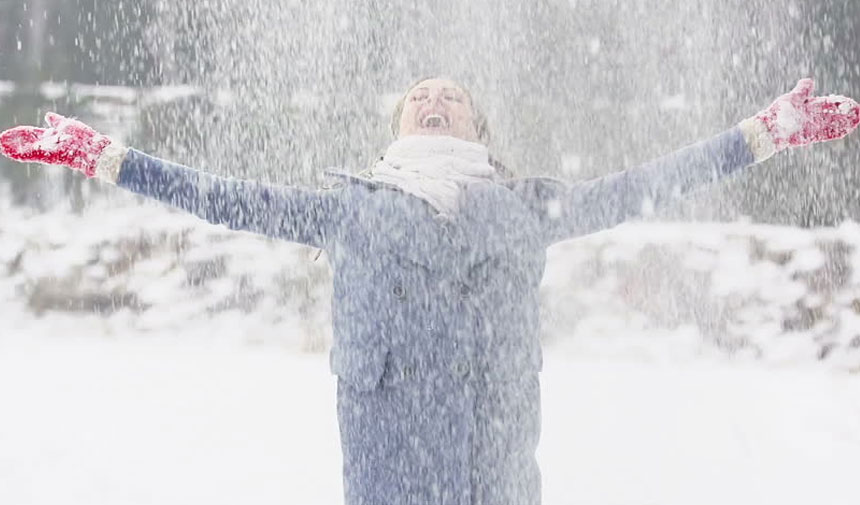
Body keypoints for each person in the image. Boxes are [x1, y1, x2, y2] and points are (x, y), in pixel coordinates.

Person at [1, 77, 858, 505]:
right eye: (420, 100)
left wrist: (762, 134)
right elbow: (217, 194)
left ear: (479, 128)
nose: (434, 103)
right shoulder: (348, 209)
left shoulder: (527, 207)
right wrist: (103, 156)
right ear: (400, 129)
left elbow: (652, 180)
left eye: (451, 98)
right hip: (387, 480)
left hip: (497, 477)